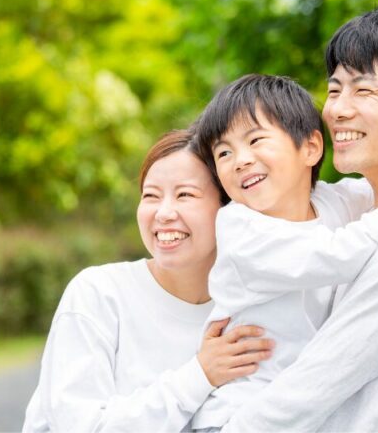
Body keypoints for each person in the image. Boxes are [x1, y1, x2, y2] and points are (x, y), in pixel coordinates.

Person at [222, 0, 378, 432]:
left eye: (364, 91)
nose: (337, 109)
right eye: (335, 89)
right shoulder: (366, 206)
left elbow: (306, 393)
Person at [21, 130, 274, 432]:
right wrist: (200, 375)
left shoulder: (250, 312)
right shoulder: (99, 293)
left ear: (228, 208)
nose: (163, 213)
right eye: (151, 196)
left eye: (185, 195)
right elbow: (80, 425)